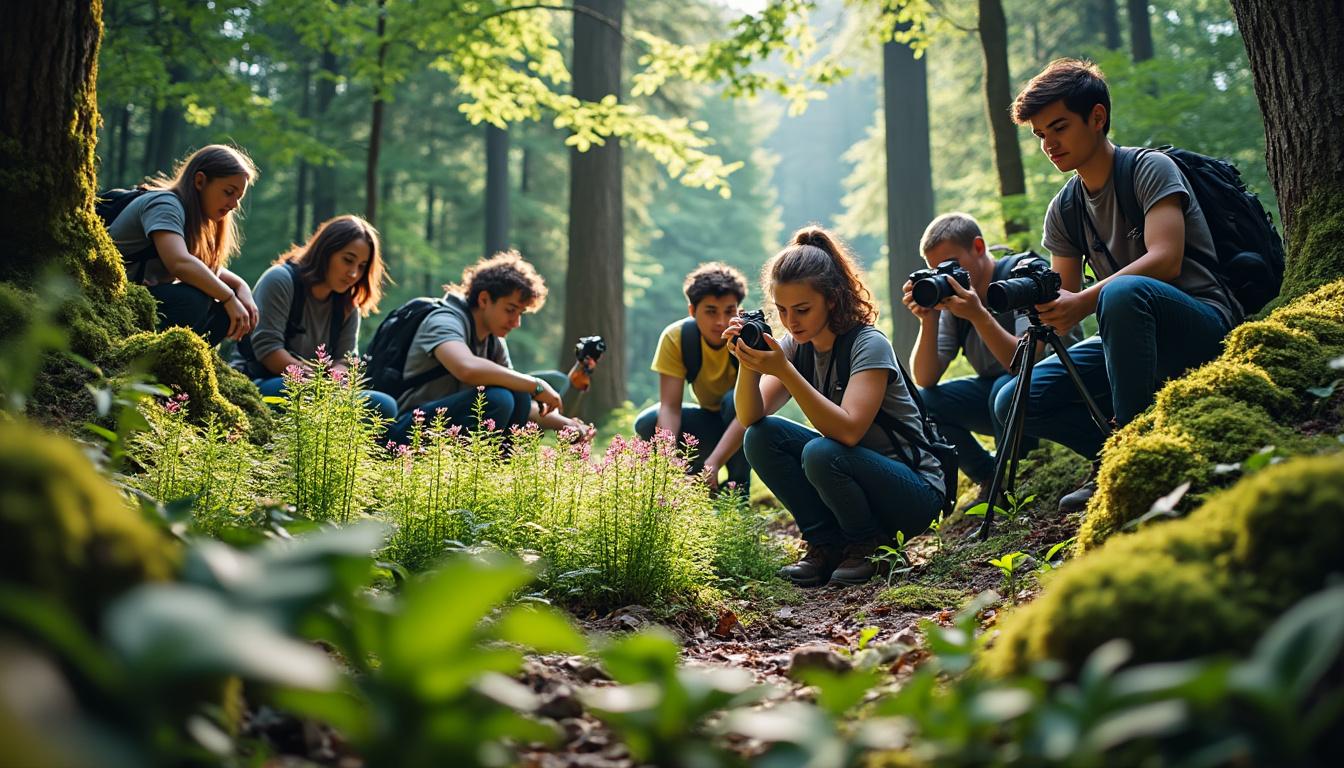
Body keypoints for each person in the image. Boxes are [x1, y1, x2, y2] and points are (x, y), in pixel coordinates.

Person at [1000, 58, 1242, 512]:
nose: (1049, 145)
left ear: (1097, 117)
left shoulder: (1149, 168)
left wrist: (1082, 302)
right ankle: (1114, 455)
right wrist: (1039, 306)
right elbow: (1064, 299)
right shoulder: (1065, 209)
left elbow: (1166, 259)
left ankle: (1135, 458)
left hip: (1201, 319)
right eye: (1040, 135)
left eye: (1059, 128)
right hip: (1124, 330)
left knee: (1120, 293)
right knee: (1014, 399)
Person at [730, 226, 945, 587]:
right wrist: (747, 364)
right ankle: (826, 546)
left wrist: (785, 370)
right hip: (855, 480)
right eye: (782, 310)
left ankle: (871, 548)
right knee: (760, 436)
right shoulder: (795, 345)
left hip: (913, 491)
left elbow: (848, 431)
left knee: (821, 451)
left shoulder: (868, 344)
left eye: (802, 309)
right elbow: (750, 416)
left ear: (832, 300)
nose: (791, 322)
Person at [903, 213, 1081, 502]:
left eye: (951, 264)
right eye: (937, 271)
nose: (945, 276)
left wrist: (978, 314)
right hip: (997, 399)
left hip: (1051, 389)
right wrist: (929, 319)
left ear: (978, 247)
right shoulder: (956, 296)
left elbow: (1024, 362)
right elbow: (925, 377)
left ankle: (1021, 474)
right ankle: (990, 478)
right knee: (923, 403)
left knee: (1003, 387)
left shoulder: (1021, 276)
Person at [384, 250, 595, 444]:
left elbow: (522, 404)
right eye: (510, 310)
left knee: (518, 395)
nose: (516, 322)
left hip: (445, 428)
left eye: (520, 313)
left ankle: (493, 469)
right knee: (499, 398)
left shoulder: (493, 341)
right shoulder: (443, 320)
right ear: (484, 299)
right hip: (408, 429)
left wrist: (566, 425)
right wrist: (536, 385)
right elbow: (466, 368)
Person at [231, 215, 396, 419]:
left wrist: (335, 379)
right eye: (348, 260)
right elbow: (268, 351)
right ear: (326, 252)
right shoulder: (280, 280)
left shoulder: (348, 305)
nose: (354, 273)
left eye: (362, 266)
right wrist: (316, 381)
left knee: (385, 406)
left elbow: (346, 360)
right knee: (304, 393)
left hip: (321, 389)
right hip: (262, 381)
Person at [105, 144, 260, 345]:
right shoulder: (165, 205)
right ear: (200, 181)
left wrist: (240, 288)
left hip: (136, 299)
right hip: (112, 297)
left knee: (224, 313)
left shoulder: (190, 219)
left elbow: (205, 267)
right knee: (193, 299)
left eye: (238, 198)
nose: (234, 205)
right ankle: (145, 353)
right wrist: (229, 297)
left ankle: (185, 357)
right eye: (229, 192)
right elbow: (179, 262)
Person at [634, 263, 751, 492]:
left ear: (739, 310)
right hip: (708, 422)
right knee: (647, 422)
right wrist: (667, 462)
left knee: (734, 401)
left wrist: (714, 462)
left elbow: (750, 414)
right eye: (711, 311)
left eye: (729, 311)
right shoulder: (677, 338)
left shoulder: (749, 339)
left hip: (745, 423)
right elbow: (670, 407)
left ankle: (738, 491)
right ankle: (690, 482)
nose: (721, 321)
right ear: (692, 311)